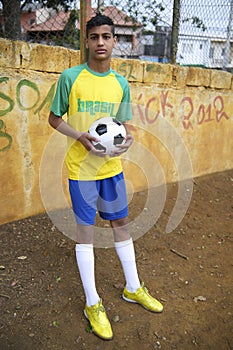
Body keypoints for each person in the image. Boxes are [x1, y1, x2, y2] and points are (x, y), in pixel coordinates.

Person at [48, 13, 163, 341]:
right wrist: (79, 136)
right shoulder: (71, 77)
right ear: (86, 41)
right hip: (81, 172)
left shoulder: (120, 83)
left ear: (115, 42)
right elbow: (54, 118)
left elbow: (123, 126)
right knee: (86, 233)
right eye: (94, 37)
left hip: (111, 170)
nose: (100, 42)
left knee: (120, 225)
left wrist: (126, 139)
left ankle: (133, 287)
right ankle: (93, 302)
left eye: (106, 37)